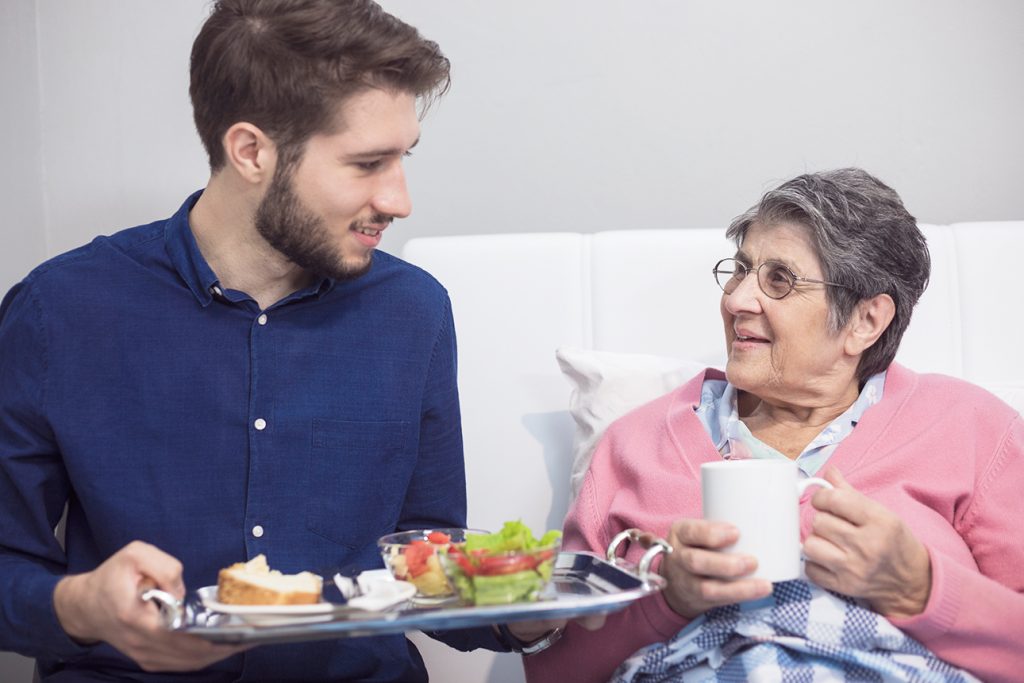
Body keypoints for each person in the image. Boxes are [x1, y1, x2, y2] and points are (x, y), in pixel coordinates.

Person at [0, 1, 508, 680]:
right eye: (367, 163)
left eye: (403, 158)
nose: (399, 199)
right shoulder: (57, 310)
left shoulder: (413, 311)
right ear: (251, 151)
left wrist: (530, 609)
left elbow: (426, 562)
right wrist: (80, 602)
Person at [524, 168, 1024, 682]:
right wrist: (667, 601)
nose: (737, 299)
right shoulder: (634, 444)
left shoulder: (972, 429)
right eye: (740, 270)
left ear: (865, 322)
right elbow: (553, 671)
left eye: (779, 279)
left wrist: (922, 589)